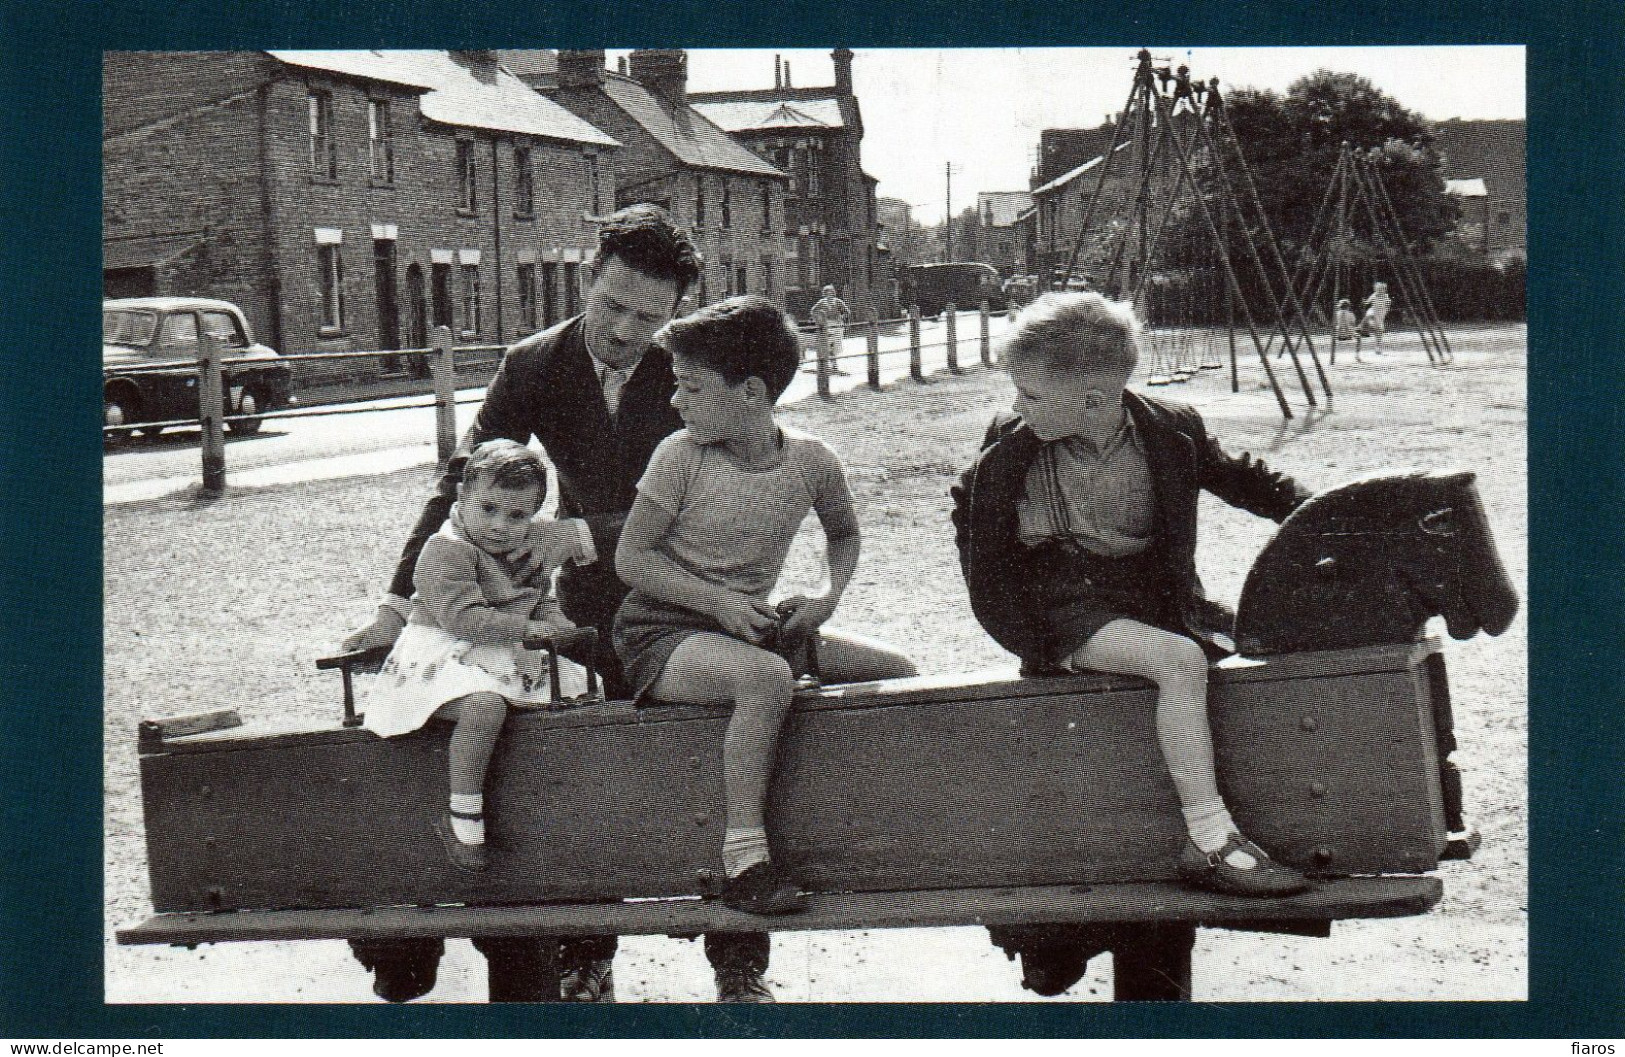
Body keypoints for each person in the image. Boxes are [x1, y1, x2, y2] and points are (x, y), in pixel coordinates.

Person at [340, 204, 776, 1004]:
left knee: (718, 753)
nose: (624, 328)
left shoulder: (697, 368)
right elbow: (460, 483)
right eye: (611, 304)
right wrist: (400, 602)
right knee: (569, 769)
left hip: (699, 591)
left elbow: (724, 491)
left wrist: (584, 529)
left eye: (650, 316)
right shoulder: (533, 363)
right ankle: (586, 952)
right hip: (586, 608)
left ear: (676, 310)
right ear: (585, 278)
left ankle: (738, 959)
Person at [951, 292, 1312, 994]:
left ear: (1093, 399)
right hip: (1066, 603)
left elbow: (1245, 479)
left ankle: (1272, 809)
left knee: (1247, 651)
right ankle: (1209, 839)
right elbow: (972, 509)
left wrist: (1321, 514)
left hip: (1147, 596)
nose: (1018, 406)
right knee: (1176, 663)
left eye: (1030, 393)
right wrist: (1025, 635)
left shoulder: (1167, 428)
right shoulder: (1011, 440)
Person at [614, 295, 917, 914]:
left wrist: (829, 597)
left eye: (692, 388)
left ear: (750, 393)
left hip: (750, 628)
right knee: (766, 681)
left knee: (895, 671)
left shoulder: (810, 461)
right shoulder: (679, 458)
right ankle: (745, 860)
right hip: (662, 635)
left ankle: (872, 832)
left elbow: (845, 532)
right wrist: (715, 600)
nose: (676, 403)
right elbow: (632, 560)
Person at [362, 439, 586, 873]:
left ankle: (555, 805)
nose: (501, 525)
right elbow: (463, 618)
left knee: (579, 690)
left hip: (502, 654)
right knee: (483, 706)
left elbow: (538, 600)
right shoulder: (445, 550)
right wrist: (526, 629)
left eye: (518, 515)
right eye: (488, 509)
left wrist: (557, 622)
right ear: (462, 498)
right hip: (442, 656)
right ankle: (463, 811)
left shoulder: (522, 549)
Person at [808, 284, 852, 376]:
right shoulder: (821, 302)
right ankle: (827, 364)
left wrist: (841, 317)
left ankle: (834, 364)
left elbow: (847, 312)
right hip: (826, 326)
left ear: (833, 293)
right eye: (827, 293)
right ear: (824, 294)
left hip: (837, 326)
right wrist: (818, 319)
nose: (829, 295)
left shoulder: (838, 301)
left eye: (831, 293)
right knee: (827, 345)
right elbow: (813, 311)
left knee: (835, 346)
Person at [1361, 281, 1392, 351]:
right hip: (1373, 312)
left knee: (1379, 332)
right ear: (1375, 290)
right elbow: (1367, 302)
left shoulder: (1386, 297)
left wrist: (1386, 310)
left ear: (1384, 290)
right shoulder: (1374, 295)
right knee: (1369, 315)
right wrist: (1364, 302)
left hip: (1380, 316)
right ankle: (1362, 328)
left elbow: (1388, 304)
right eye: (1378, 289)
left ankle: (1377, 347)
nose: (1380, 291)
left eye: (1382, 289)